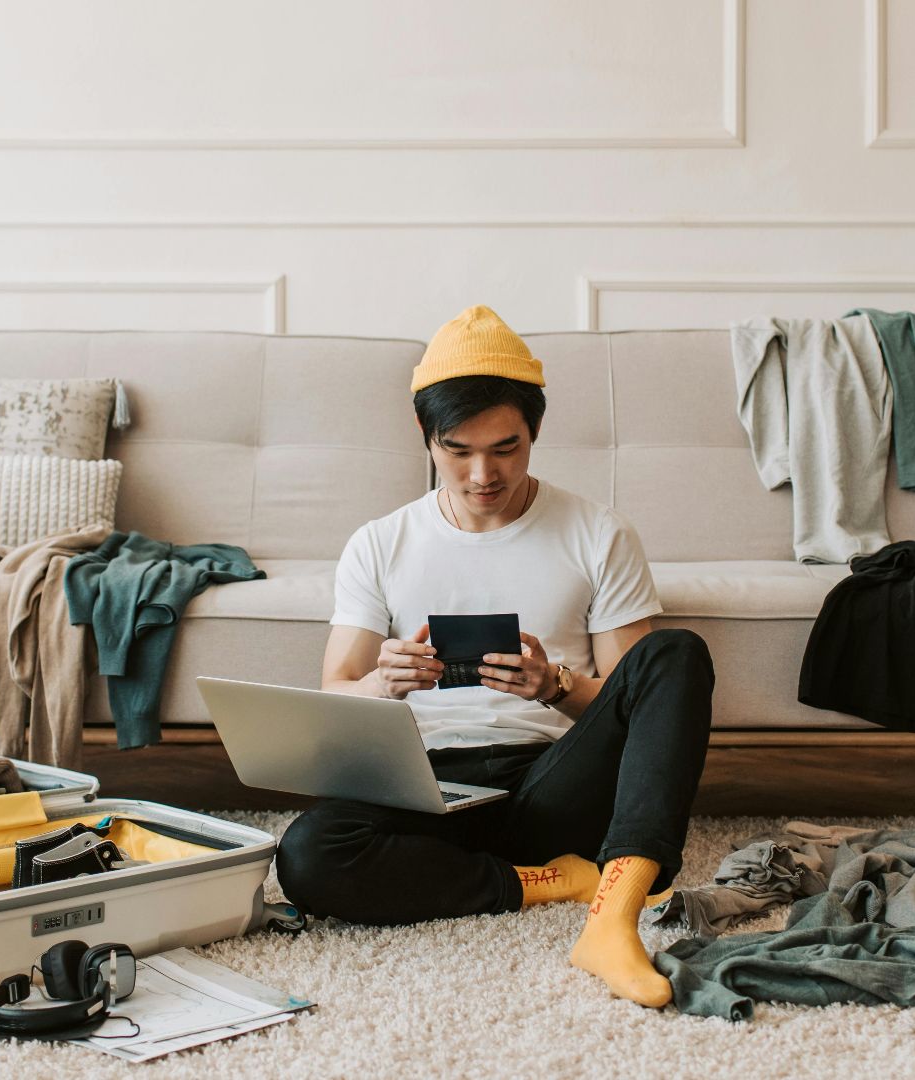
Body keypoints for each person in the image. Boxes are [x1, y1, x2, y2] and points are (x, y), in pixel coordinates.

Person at [274, 305, 715, 1008]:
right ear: (426, 436)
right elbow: (333, 695)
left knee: (676, 653)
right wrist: (383, 684)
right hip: (427, 784)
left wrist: (556, 685)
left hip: (552, 780)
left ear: (535, 431)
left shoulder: (598, 533)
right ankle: (554, 880)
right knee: (305, 856)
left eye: (506, 448)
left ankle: (614, 916)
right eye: (458, 450)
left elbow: (636, 705)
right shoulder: (378, 543)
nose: (483, 474)